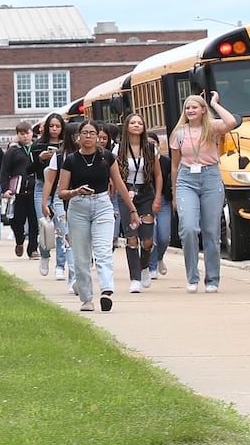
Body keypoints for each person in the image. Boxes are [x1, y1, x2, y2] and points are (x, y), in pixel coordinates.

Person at [57, 120, 138, 313]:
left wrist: (132, 210)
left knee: (103, 251)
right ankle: (86, 299)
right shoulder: (71, 160)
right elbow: (61, 192)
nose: (88, 136)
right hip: (78, 207)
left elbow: (119, 184)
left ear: (98, 137)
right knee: (81, 257)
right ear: (78, 137)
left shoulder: (107, 157)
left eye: (92, 133)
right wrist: (75, 191)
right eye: (84, 133)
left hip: (102, 205)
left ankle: (106, 291)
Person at [169, 91, 240, 294]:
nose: (190, 110)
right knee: (189, 228)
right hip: (186, 180)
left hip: (210, 177)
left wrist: (214, 104)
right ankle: (192, 277)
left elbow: (231, 122)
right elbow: (174, 165)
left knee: (211, 231)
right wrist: (174, 194)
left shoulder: (212, 128)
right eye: (187, 108)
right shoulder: (179, 133)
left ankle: (212, 279)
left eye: (194, 107)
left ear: (202, 110)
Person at [116, 113, 162, 293]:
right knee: (132, 236)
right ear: (127, 126)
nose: (136, 125)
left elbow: (158, 174)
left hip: (146, 192)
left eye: (139, 123)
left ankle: (144, 266)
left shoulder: (150, 148)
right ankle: (134, 278)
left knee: (147, 239)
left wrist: (157, 197)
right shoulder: (118, 149)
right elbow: (114, 176)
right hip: (126, 192)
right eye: (132, 123)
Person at [42, 122, 79, 295]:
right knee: (68, 238)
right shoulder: (59, 156)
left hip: (83, 199)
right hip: (61, 200)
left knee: (81, 240)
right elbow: (50, 180)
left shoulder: (92, 154)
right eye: (78, 134)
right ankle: (74, 279)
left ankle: (79, 274)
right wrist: (44, 202)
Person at [32, 113, 65, 277]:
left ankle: (60, 265)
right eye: (51, 126)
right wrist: (40, 159)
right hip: (41, 185)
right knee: (44, 226)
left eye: (57, 126)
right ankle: (44, 255)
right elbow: (29, 169)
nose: (54, 129)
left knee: (61, 228)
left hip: (60, 187)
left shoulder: (66, 145)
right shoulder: (38, 145)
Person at [0, 121, 40, 258]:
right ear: (17, 135)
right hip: (18, 192)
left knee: (34, 221)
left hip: (34, 190)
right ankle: (19, 240)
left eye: (27, 133)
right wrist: (5, 189)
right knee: (17, 220)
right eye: (22, 134)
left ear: (32, 133)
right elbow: (4, 171)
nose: (25, 136)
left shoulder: (36, 149)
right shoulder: (13, 151)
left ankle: (33, 248)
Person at [147, 131, 172, 280]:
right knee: (152, 236)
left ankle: (159, 257)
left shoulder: (166, 161)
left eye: (153, 143)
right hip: (146, 200)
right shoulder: (140, 161)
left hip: (163, 199)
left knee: (163, 236)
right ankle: (152, 266)